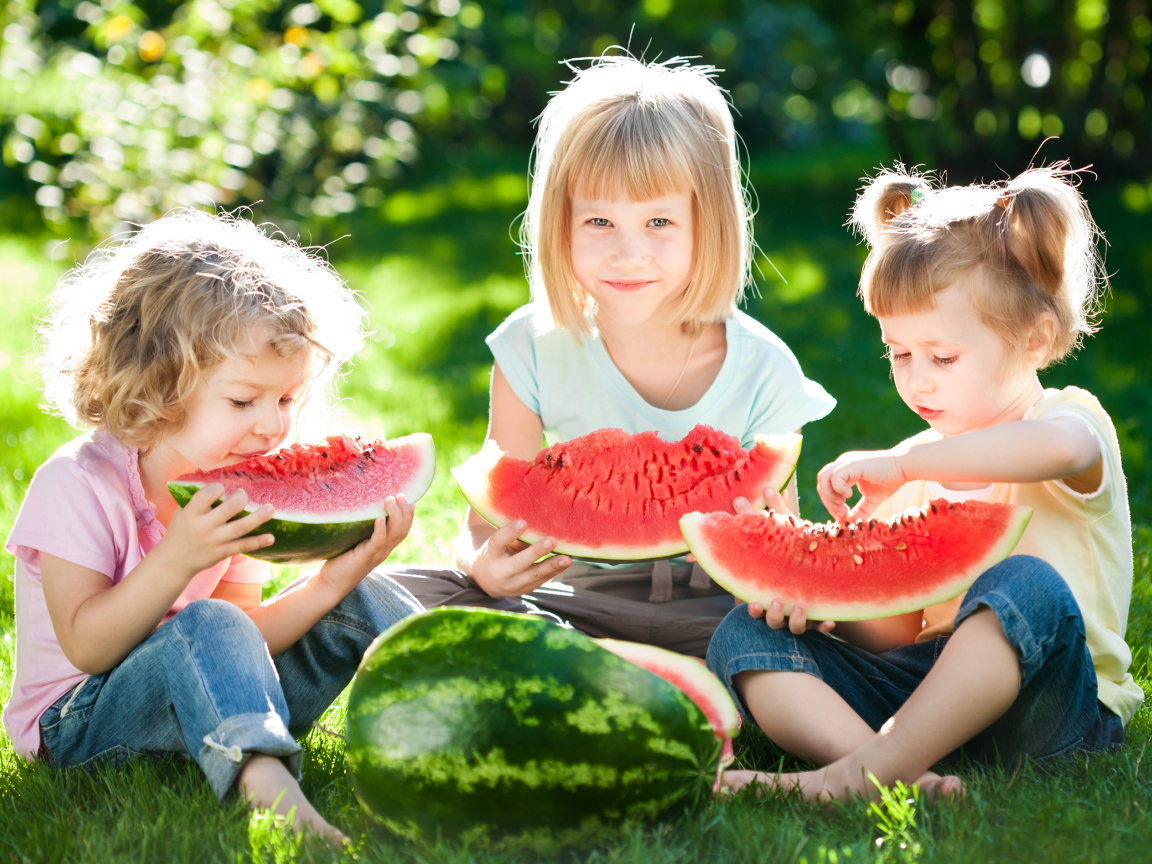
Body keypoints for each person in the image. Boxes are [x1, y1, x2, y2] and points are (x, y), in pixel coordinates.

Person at [706, 164, 1143, 801]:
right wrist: (820, 600)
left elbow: (1056, 449)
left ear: (1034, 338)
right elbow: (898, 628)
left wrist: (909, 466)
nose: (917, 380)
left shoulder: (1069, 421)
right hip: (923, 700)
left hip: (1052, 707)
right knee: (741, 636)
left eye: (942, 357)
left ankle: (854, 777)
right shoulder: (914, 461)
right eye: (897, 353)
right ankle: (895, 773)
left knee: (1027, 584)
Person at [387, 55, 834, 656]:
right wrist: (483, 567)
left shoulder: (764, 369)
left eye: (659, 221)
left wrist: (785, 580)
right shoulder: (529, 347)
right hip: (568, 604)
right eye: (599, 220)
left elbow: (777, 537)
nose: (629, 254)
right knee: (392, 594)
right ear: (559, 223)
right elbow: (485, 525)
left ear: (711, 224)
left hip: (719, 616)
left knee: (813, 632)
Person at [3, 211, 423, 841]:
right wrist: (179, 557)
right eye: (242, 400)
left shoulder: (243, 483)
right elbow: (87, 647)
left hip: (215, 702)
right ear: (157, 384)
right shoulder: (77, 484)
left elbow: (244, 639)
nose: (272, 427)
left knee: (366, 596)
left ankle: (473, 722)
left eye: (285, 399)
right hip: (80, 725)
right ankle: (275, 799)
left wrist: (335, 583)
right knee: (208, 621)